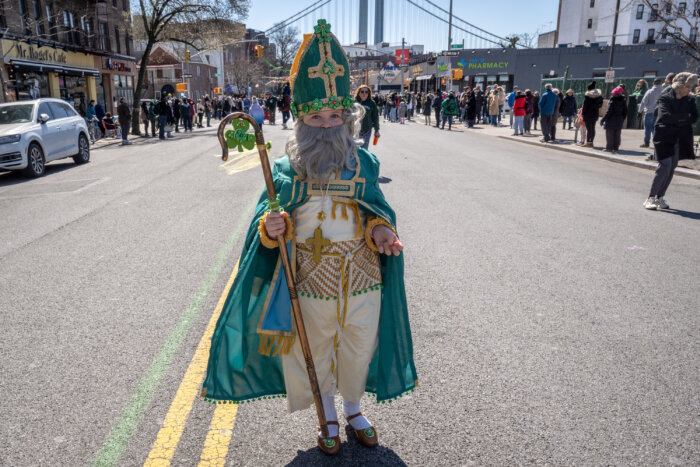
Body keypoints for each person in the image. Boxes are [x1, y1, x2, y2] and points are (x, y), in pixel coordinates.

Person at [202, 19, 417, 456]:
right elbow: (267, 217)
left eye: (334, 116)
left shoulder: (364, 165)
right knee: (315, 348)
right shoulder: (285, 169)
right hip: (309, 277)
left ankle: (354, 409)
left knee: (358, 343)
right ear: (301, 117)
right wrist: (269, 228)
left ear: (346, 117)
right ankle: (329, 416)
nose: (325, 125)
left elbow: (375, 210)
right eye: (316, 116)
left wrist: (381, 232)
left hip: (362, 274)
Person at [644, 72, 698, 210]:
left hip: (680, 136)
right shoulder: (665, 96)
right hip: (663, 135)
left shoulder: (689, 99)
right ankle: (650, 198)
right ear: (679, 86)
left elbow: (695, 117)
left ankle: (660, 197)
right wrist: (684, 118)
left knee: (672, 167)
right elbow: (665, 116)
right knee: (665, 166)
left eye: (691, 87)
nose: (689, 90)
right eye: (687, 87)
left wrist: (679, 118)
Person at [600, 86, 628, 153]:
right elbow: (625, 111)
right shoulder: (623, 100)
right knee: (617, 134)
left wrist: (603, 119)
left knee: (610, 134)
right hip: (619, 120)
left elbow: (609, 112)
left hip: (611, 120)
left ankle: (609, 148)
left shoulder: (612, 100)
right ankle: (616, 147)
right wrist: (622, 118)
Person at [638, 77, 664, 148]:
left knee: (647, 128)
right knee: (655, 128)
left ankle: (646, 143)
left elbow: (644, 102)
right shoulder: (663, 91)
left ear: (653, 83)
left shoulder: (650, 91)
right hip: (659, 112)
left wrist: (639, 111)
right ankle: (656, 142)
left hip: (649, 112)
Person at [581, 81, 603, 147]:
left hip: (588, 114)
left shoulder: (587, 96)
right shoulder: (599, 96)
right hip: (595, 114)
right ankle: (591, 142)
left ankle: (588, 142)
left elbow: (585, 106)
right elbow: (600, 105)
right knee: (592, 128)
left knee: (588, 128)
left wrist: (583, 114)